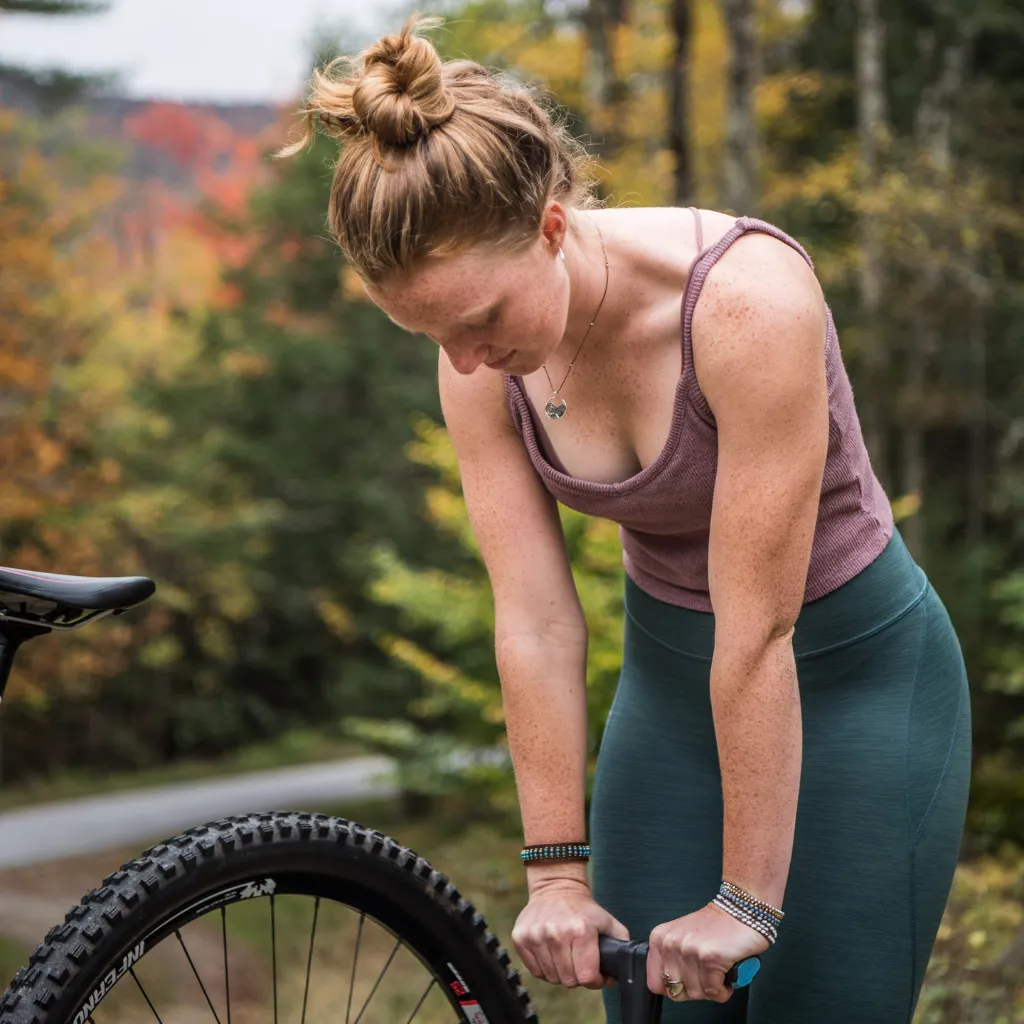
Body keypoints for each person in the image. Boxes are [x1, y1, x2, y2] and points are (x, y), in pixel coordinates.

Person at [282, 14, 972, 1022]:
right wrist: (555, 871)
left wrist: (747, 897)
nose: (464, 360)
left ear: (553, 227)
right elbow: (535, 619)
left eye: (478, 322)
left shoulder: (745, 304)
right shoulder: (473, 358)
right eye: (430, 334)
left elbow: (758, 628)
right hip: (669, 691)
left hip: (854, 682)